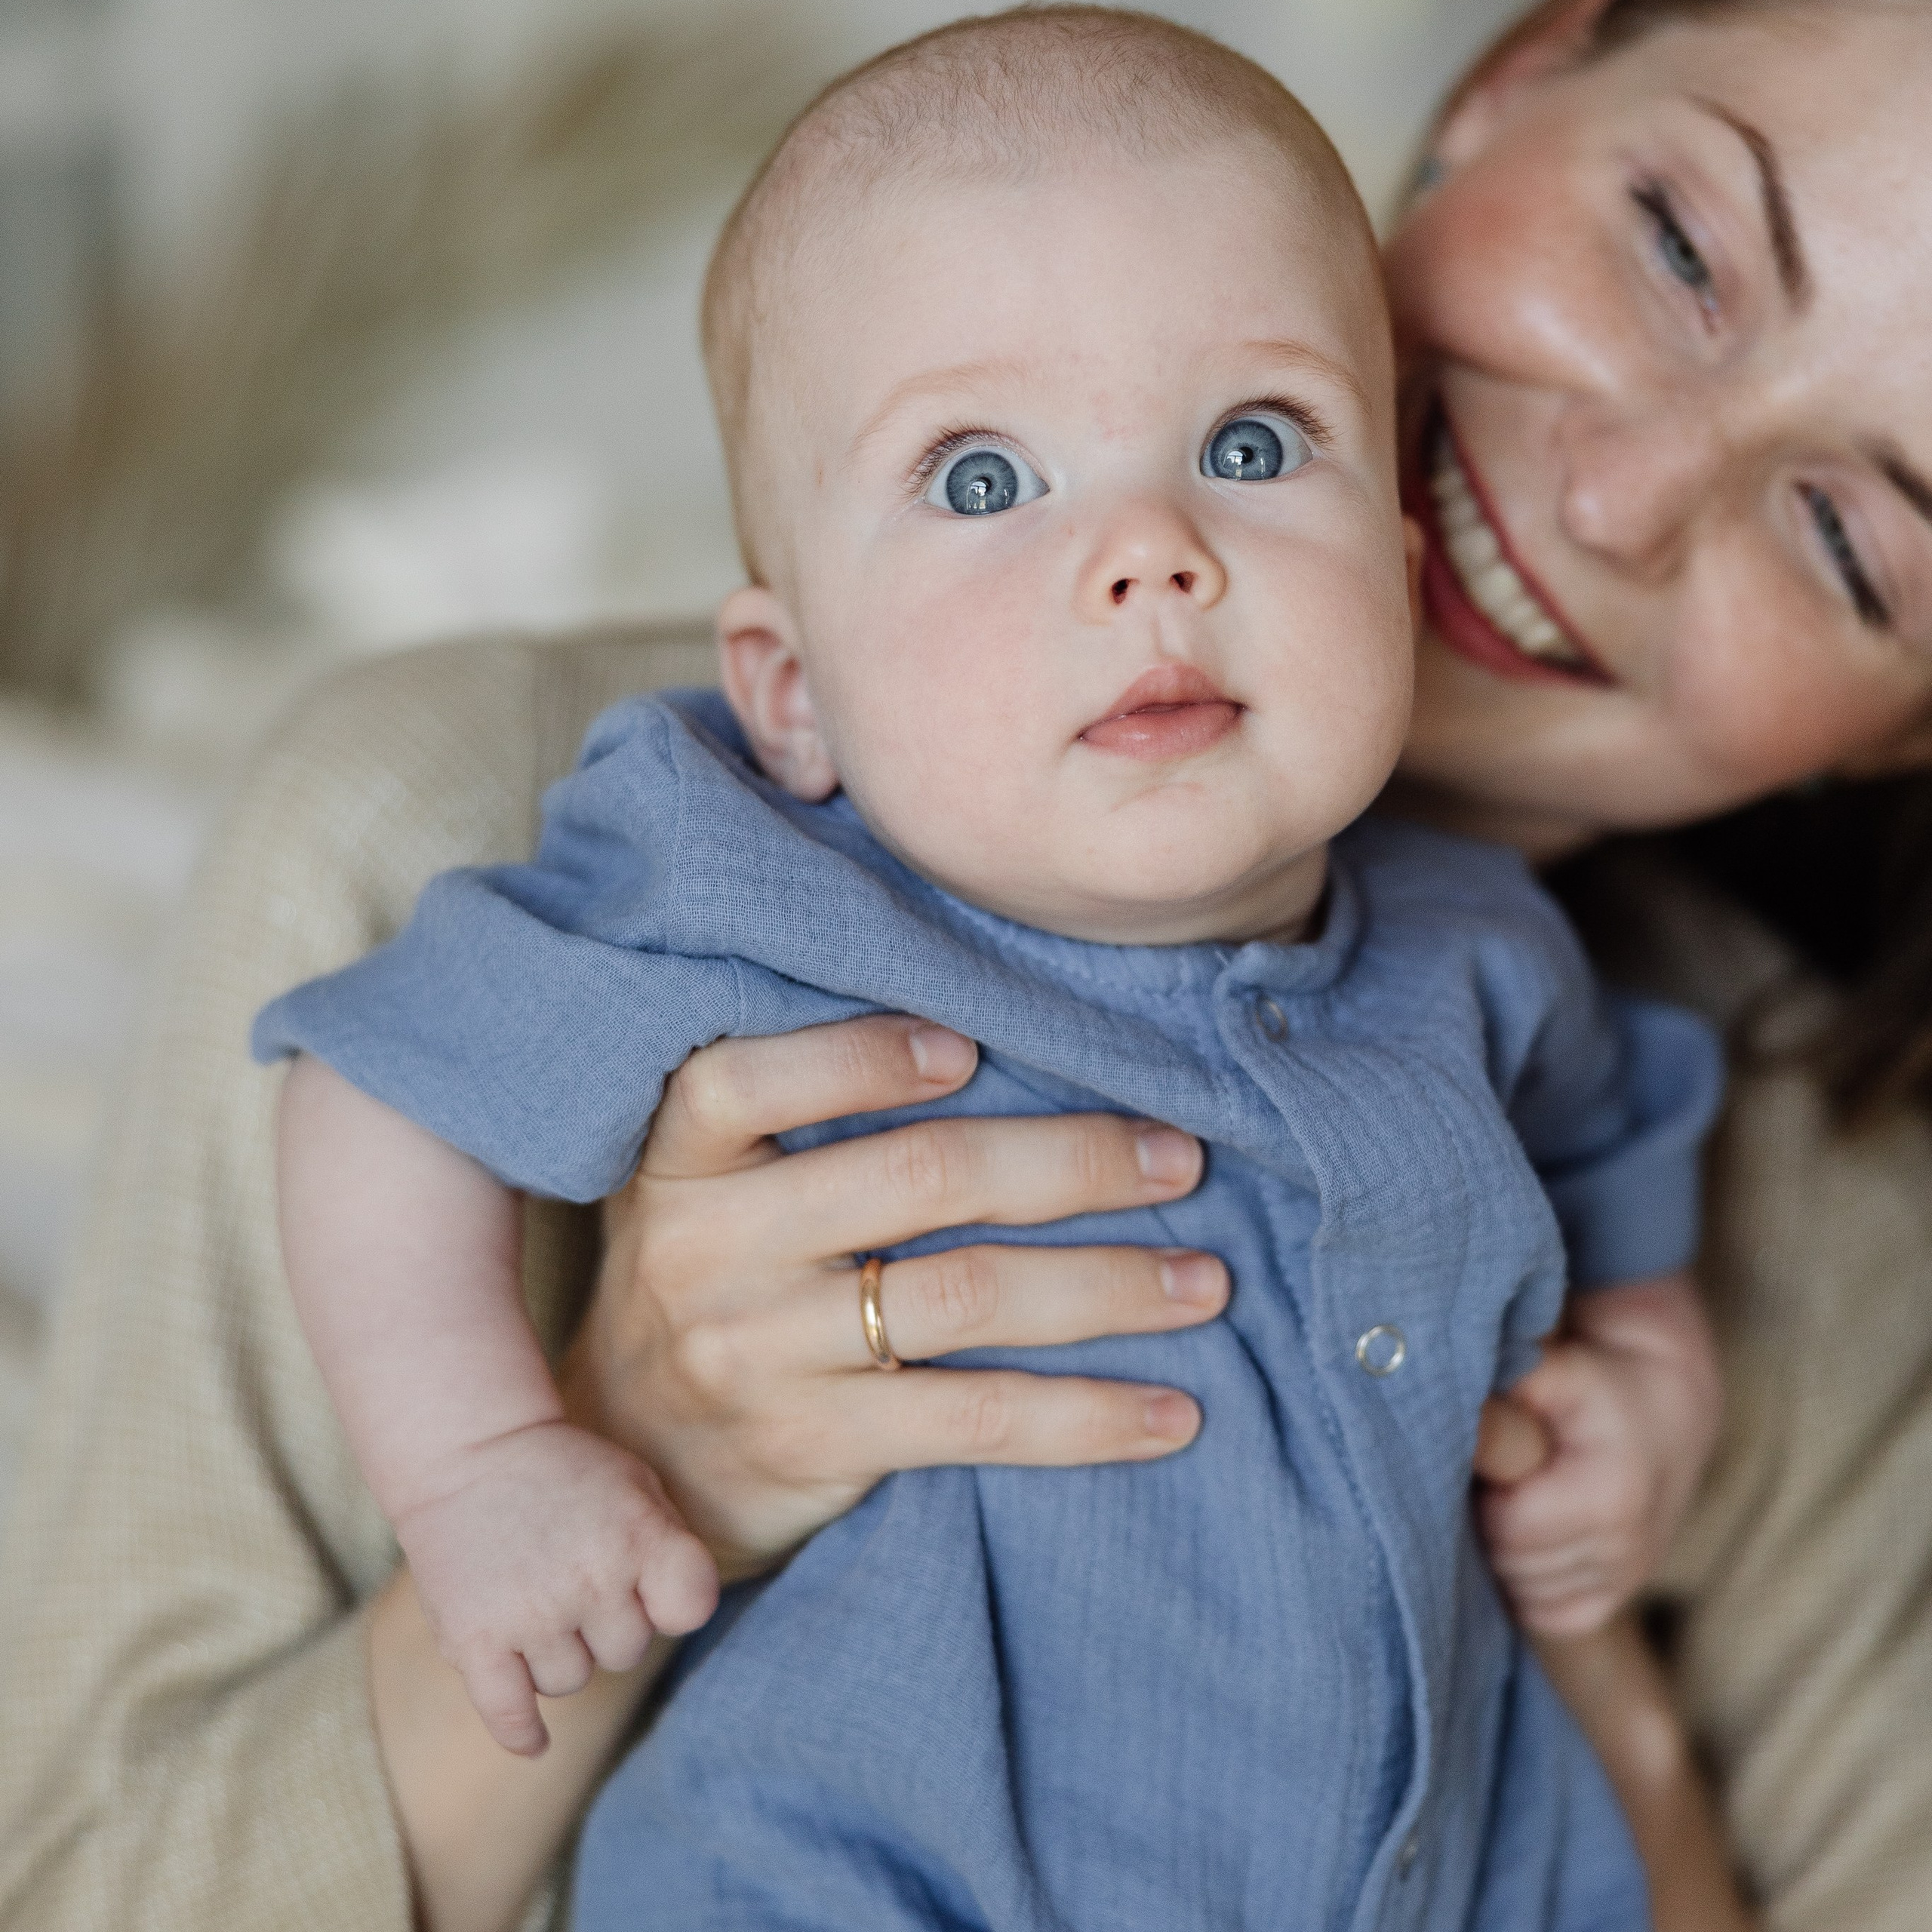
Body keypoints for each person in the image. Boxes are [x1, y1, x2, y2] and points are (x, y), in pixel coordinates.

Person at [2, 0, 1927, 1927]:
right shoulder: (605, 845)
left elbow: (1611, 1124)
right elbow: (381, 1085)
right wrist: (556, 1451)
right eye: (1680, 243)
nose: (1613, 496)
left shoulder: (1633, 1071)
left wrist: (1632, 1443)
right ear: (1515, 76)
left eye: (1849, 541)